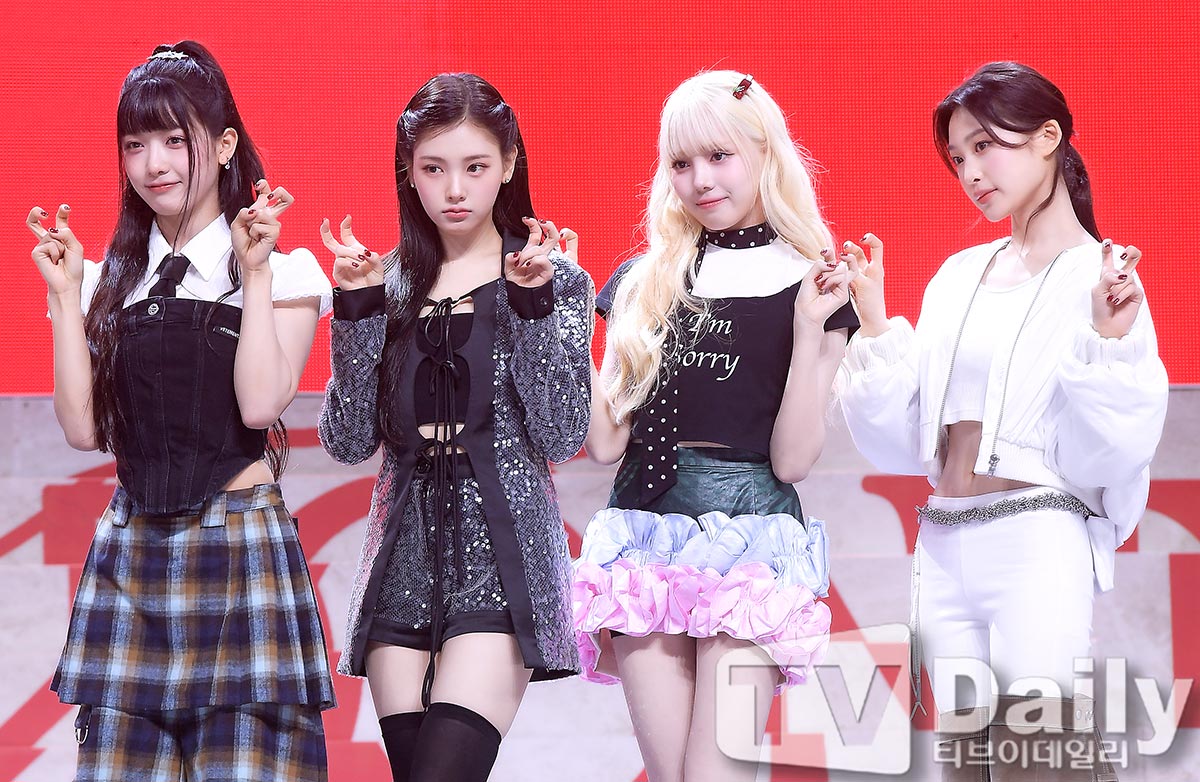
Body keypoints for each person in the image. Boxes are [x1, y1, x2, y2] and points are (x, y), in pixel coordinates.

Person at [837, 61, 1168, 776]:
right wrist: (875, 324)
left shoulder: (1101, 278)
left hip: (1035, 538)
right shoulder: (957, 276)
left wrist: (1107, 341)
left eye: (985, 145)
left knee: (1039, 754)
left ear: (1048, 136)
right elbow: (903, 444)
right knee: (966, 762)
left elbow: (1114, 454)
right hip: (942, 542)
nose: (971, 172)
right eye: (958, 157)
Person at [29, 41, 335, 782]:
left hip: (239, 548)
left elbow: (261, 404)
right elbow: (83, 430)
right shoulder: (107, 279)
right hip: (132, 550)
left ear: (224, 146)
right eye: (135, 145)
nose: (154, 164)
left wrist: (253, 274)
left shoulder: (282, 269)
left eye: (175, 140)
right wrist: (66, 298)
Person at [575, 71, 855, 782]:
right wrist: (569, 322)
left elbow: (792, 461)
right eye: (681, 162)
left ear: (765, 152)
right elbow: (605, 443)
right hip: (643, 538)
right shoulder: (645, 279)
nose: (700, 180)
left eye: (719, 156)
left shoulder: (813, 282)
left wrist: (807, 329)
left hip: (751, 542)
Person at [317, 72, 593, 782]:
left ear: (508, 165)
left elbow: (563, 433)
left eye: (475, 167)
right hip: (400, 557)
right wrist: (356, 311)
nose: (455, 189)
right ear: (408, 173)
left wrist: (532, 309)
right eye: (434, 169)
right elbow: (347, 440)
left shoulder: (553, 278)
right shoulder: (385, 283)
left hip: (504, 555)